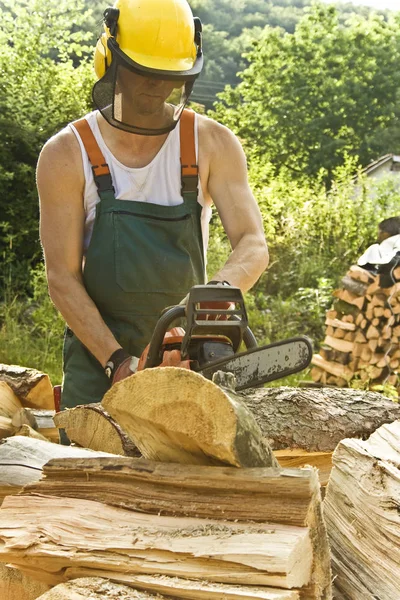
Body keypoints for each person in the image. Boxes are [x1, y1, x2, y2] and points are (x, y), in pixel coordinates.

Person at [37, 0, 269, 411]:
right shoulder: (67, 154)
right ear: (110, 58)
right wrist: (117, 362)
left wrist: (210, 299)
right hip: (98, 362)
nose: (157, 86)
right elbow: (62, 278)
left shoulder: (212, 143)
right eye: (143, 71)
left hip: (186, 361)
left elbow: (253, 243)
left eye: (169, 76)